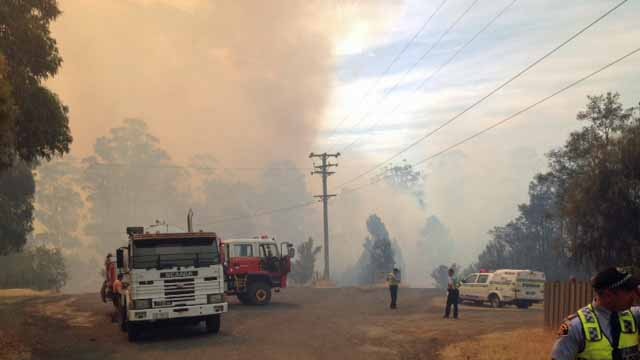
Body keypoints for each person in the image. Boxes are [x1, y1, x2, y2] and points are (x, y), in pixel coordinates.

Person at [550, 267, 640, 360]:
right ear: (608, 296)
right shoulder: (574, 326)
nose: (634, 294)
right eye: (629, 291)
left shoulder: (635, 316)